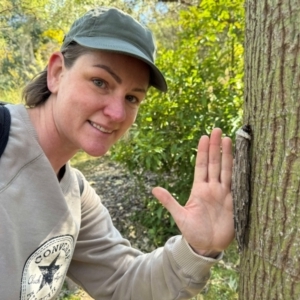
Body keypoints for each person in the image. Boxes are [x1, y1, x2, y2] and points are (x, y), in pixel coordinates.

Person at [0, 6, 234, 300]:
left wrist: (198, 249)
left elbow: (124, 283)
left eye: (132, 97)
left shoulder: (76, 198)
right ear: (57, 72)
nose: (117, 112)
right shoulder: (4, 138)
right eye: (100, 82)